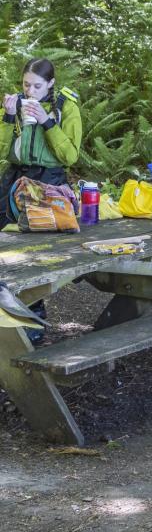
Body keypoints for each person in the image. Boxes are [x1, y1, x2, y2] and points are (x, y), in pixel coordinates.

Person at [0, 58, 83, 343]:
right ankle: (11, 321)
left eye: (37, 86)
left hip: (49, 184)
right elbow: (2, 150)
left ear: (50, 84)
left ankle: (33, 327)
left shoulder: (65, 107)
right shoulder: (16, 103)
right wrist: (9, 117)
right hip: (14, 181)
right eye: (25, 84)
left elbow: (70, 156)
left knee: (34, 255)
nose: (30, 91)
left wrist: (48, 122)